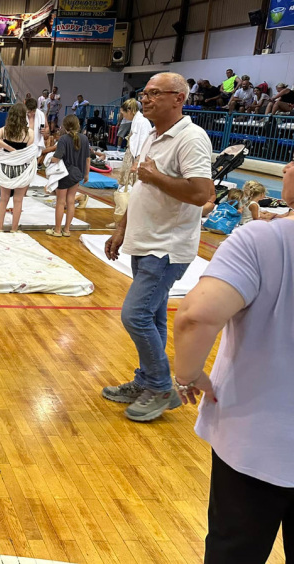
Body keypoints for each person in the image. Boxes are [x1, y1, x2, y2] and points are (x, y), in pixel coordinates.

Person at [172, 155, 294, 564]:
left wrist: (188, 375)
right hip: (257, 442)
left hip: (256, 441)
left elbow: (194, 316)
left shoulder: (263, 240)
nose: (287, 166)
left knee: (234, 551)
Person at [102, 72, 214, 422]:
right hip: (144, 242)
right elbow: (141, 191)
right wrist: (122, 228)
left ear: (179, 98)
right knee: (150, 316)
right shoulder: (153, 135)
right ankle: (147, 381)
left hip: (167, 248)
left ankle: (163, 388)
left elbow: (200, 194)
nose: (146, 99)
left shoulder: (192, 139)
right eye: (145, 93)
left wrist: (156, 177)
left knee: (134, 315)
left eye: (155, 93)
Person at [0, 103, 36, 233]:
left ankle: (0, 227)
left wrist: (9, 149)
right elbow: (28, 149)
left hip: (5, 168)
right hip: (22, 169)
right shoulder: (29, 132)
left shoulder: (4, 129)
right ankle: (14, 229)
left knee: (3, 199)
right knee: (18, 200)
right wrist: (16, 152)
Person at [45, 115, 90, 237]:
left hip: (64, 174)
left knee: (60, 202)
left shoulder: (63, 139)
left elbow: (57, 157)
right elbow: (87, 158)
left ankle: (57, 230)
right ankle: (67, 229)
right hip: (77, 174)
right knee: (70, 201)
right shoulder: (84, 139)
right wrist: (86, 174)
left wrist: (48, 159)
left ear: (64, 126)